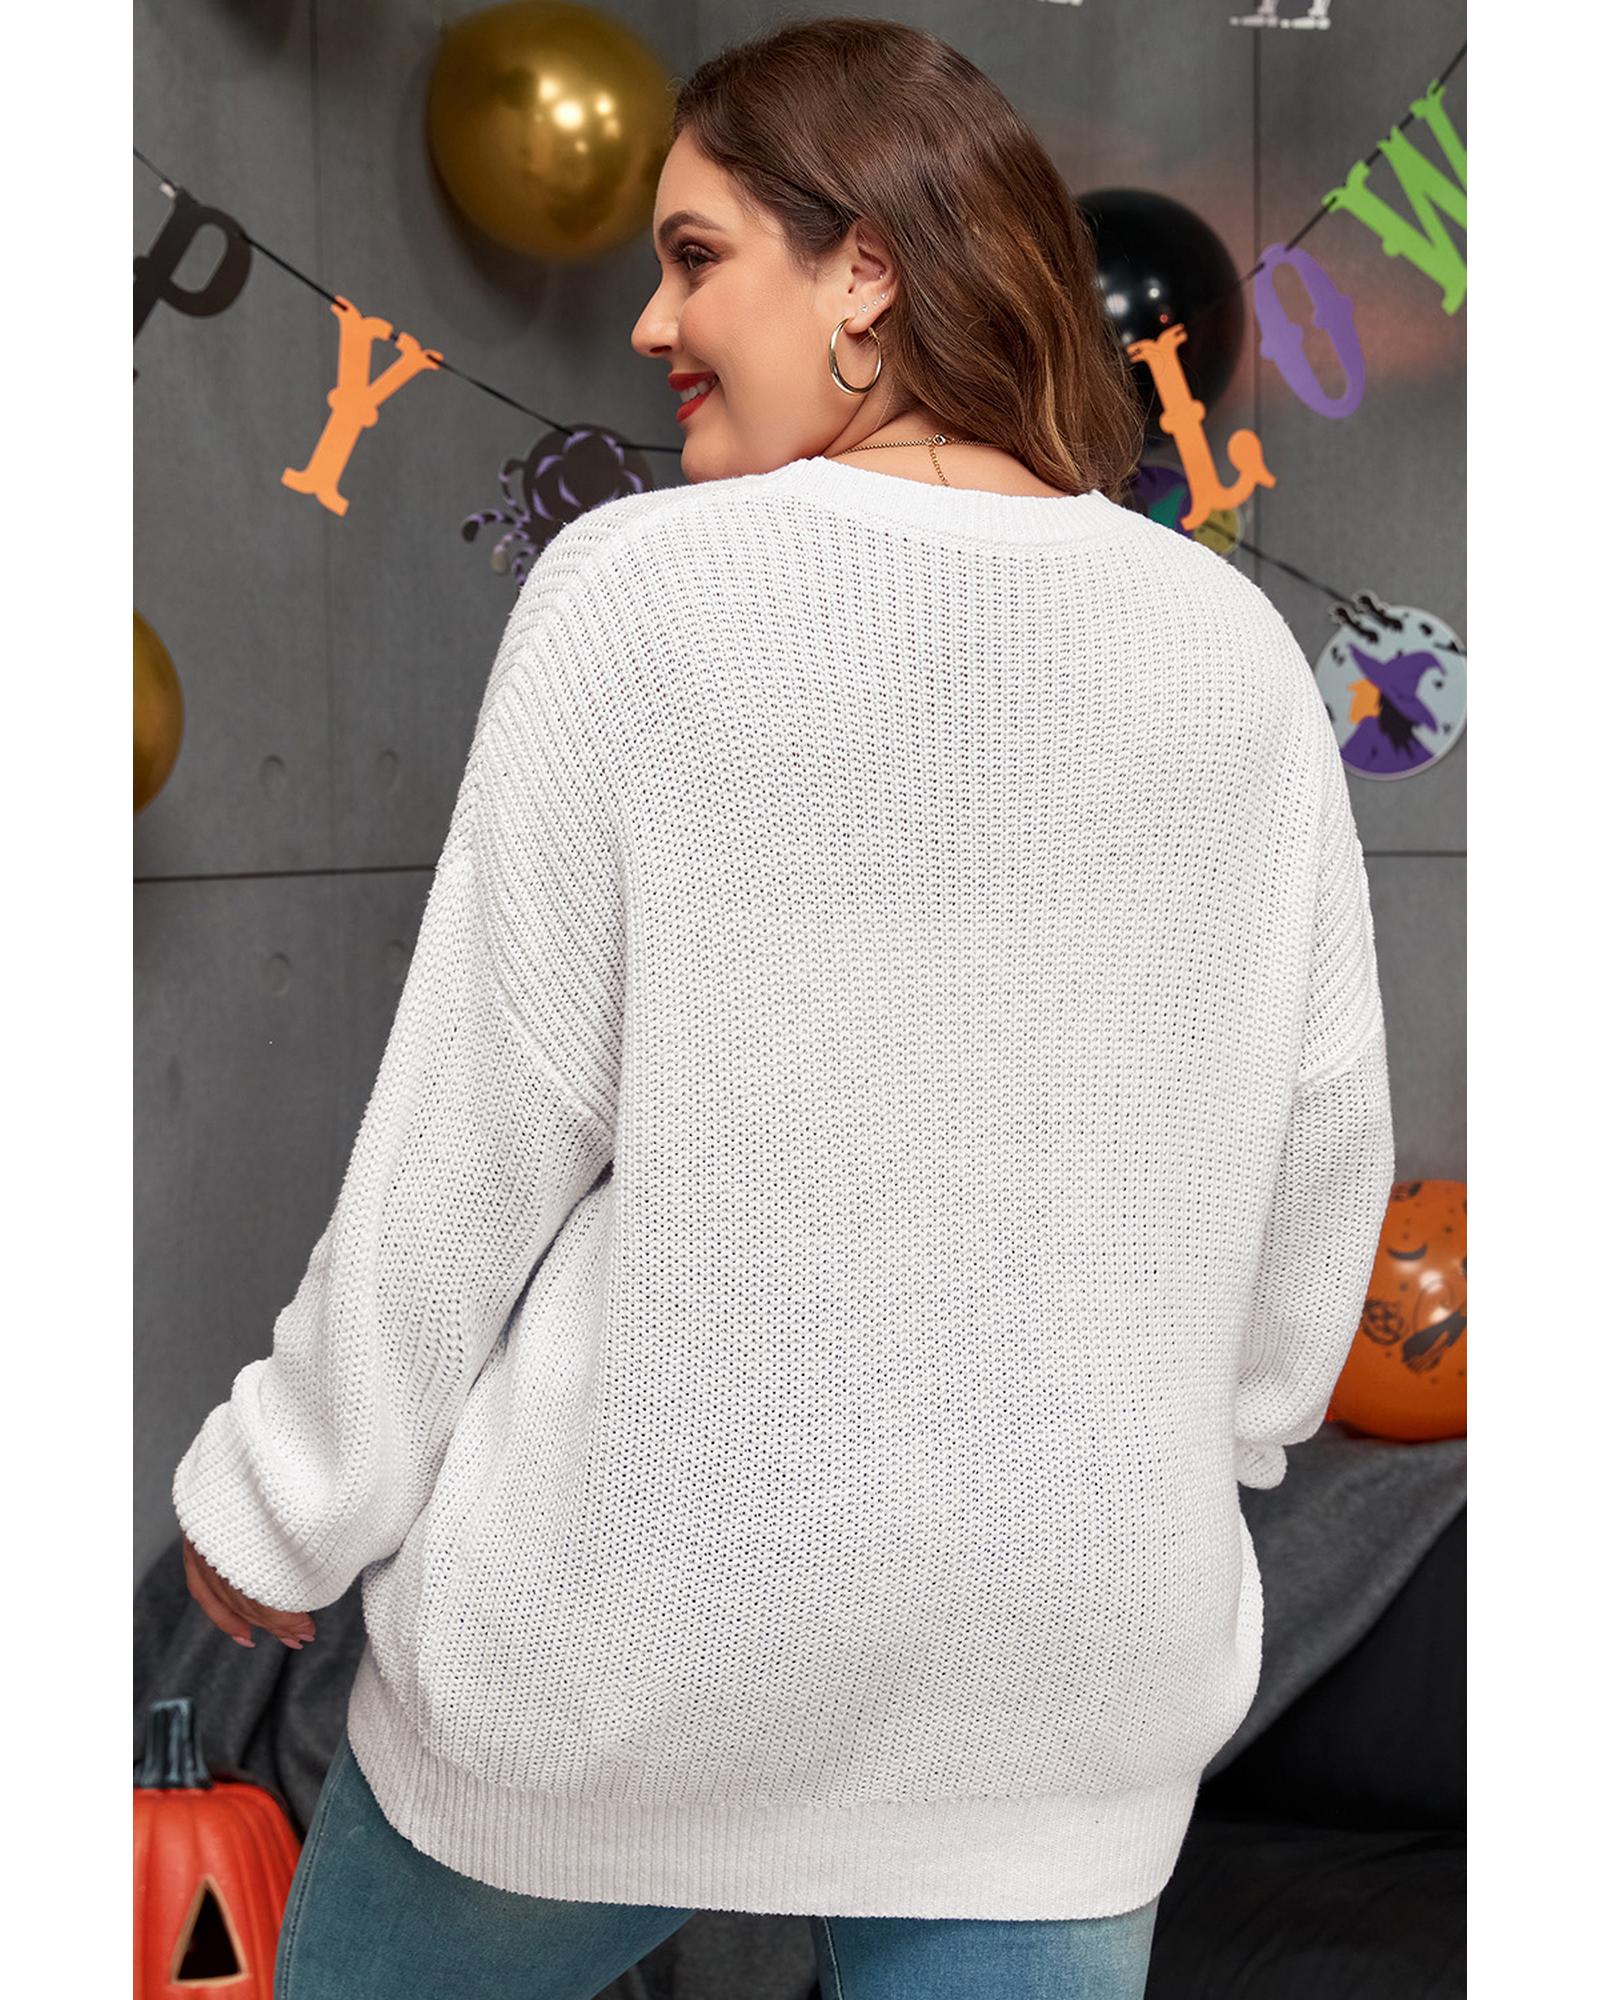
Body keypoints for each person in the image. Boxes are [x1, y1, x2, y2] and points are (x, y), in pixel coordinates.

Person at [173, 17, 1392, 2000]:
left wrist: (284, 1503)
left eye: (693, 255)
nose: (650, 322)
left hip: (630, 1644)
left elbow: (476, 1132)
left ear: (866, 272)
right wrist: (1203, 1450)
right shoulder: (1227, 645)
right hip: (1065, 1671)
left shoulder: (636, 593)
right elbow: (1317, 1149)